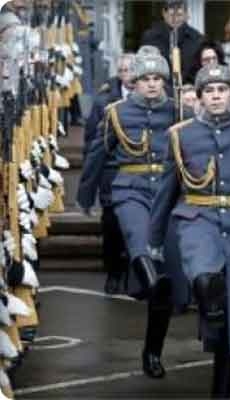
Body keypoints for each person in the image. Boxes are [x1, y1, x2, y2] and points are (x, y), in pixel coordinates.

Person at [148, 64, 230, 398]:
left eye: (223, 90)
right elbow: (167, 187)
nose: (217, 96)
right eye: (210, 91)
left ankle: (221, 393)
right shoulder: (181, 134)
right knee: (205, 278)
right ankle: (209, 308)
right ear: (201, 97)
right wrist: (154, 238)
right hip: (198, 217)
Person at [76, 51, 186, 380]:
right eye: (145, 80)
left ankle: (152, 350)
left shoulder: (180, 110)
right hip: (130, 189)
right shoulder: (116, 113)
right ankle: (148, 279)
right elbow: (97, 154)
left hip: (166, 193)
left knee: (163, 284)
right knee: (140, 241)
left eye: (157, 79)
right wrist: (86, 194)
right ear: (134, 83)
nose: (152, 85)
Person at [84, 52, 134, 295]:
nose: (129, 74)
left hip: (140, 172)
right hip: (112, 172)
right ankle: (114, 271)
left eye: (132, 69)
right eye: (124, 70)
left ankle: (133, 272)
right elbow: (92, 142)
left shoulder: (157, 98)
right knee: (113, 224)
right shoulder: (104, 101)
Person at [140, 0, 204, 84]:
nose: (175, 19)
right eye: (171, 15)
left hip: (188, 89)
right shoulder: (150, 37)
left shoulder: (197, 38)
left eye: (179, 15)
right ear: (164, 13)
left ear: (186, 15)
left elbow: (199, 69)